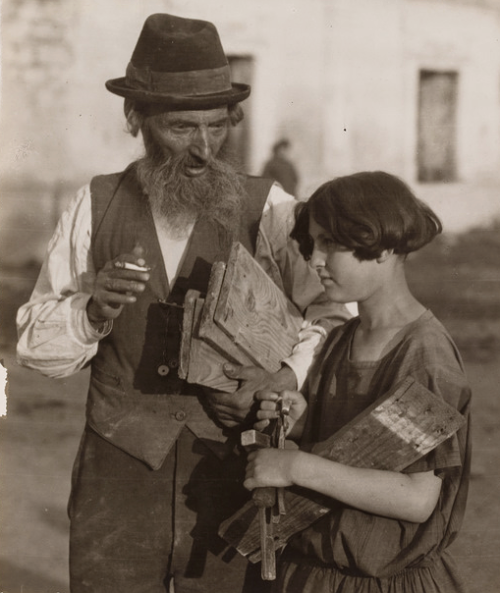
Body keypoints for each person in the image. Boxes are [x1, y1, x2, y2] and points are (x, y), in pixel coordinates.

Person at [16, 13, 350, 593]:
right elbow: (32, 347)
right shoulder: (94, 205)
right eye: (180, 127)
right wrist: (89, 314)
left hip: (233, 471)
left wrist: (283, 376)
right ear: (136, 119)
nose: (202, 148)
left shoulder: (270, 207)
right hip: (116, 476)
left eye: (217, 127)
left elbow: (337, 313)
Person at [244, 171, 471, 593]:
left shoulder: (423, 354)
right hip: (314, 575)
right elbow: (359, 450)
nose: (313, 260)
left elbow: (416, 498)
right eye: (312, 243)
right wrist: (298, 422)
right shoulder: (340, 339)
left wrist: (297, 466)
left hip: (382, 583)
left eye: (330, 243)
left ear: (383, 245)